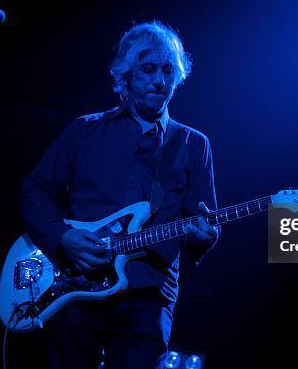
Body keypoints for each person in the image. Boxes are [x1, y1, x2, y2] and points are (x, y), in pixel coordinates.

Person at [19, 21, 220, 369]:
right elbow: (35, 190)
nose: (159, 80)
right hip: (75, 285)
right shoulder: (85, 130)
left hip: (148, 294)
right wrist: (63, 237)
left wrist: (206, 236)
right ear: (126, 75)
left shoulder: (193, 144)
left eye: (168, 70)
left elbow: (202, 224)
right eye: (148, 69)